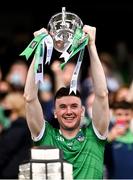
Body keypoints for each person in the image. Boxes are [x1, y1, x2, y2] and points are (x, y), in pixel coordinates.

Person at [24, 25, 110, 179]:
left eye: (74, 106)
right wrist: (38, 51)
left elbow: (102, 94)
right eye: (62, 107)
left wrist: (91, 45)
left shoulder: (94, 136)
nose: (69, 111)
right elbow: (30, 98)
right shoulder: (46, 136)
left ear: (83, 111)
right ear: (55, 113)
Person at [104, 100, 133, 179]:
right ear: (113, 115)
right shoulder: (106, 137)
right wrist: (109, 138)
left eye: (127, 114)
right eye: (119, 114)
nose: (123, 118)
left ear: (132, 115)